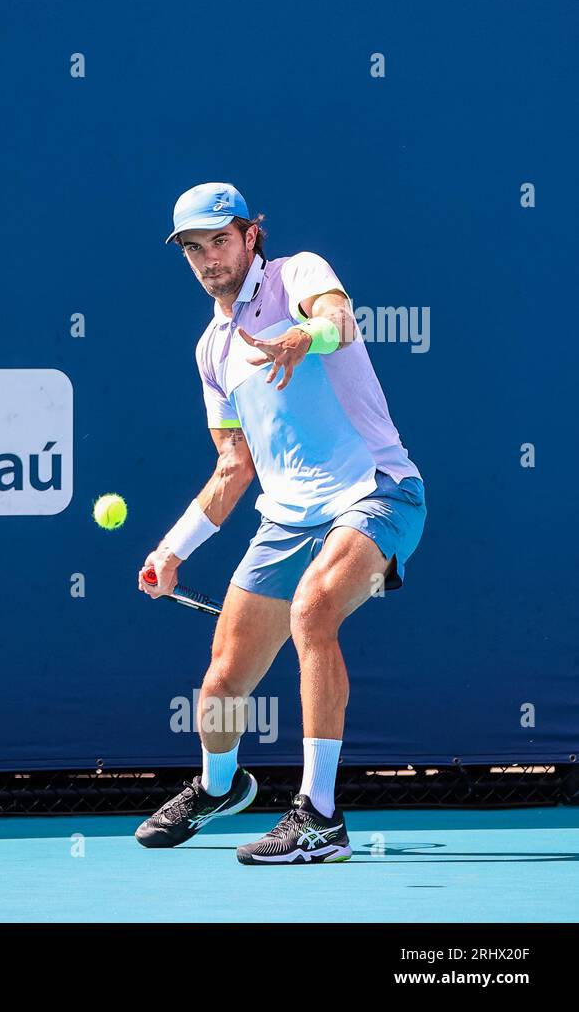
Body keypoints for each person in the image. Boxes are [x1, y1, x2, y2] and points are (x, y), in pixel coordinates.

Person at [134, 182, 426, 865]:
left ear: (250, 235)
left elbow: (340, 319)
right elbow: (234, 466)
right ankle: (218, 786)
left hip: (377, 491)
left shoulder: (299, 274)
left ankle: (320, 817)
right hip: (286, 520)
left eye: (220, 240)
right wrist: (171, 550)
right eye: (193, 248)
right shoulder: (212, 351)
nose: (209, 258)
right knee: (221, 686)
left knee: (313, 610)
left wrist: (306, 332)